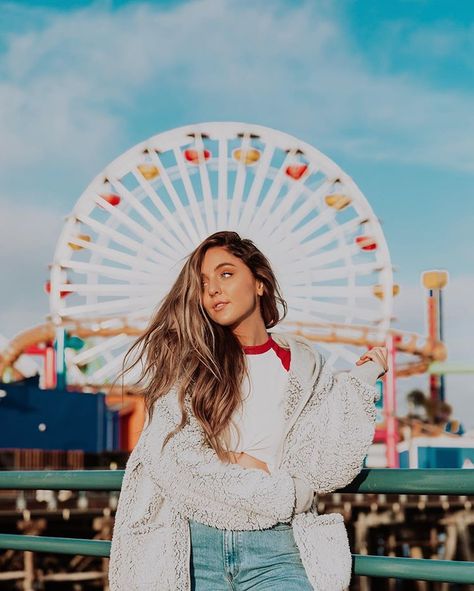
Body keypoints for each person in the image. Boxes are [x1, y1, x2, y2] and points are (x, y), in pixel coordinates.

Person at [108, 230, 388, 591]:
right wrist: (278, 491)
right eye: (204, 281)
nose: (212, 289)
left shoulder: (305, 366)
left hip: (278, 550)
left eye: (226, 274)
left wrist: (361, 382)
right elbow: (172, 460)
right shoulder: (189, 366)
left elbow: (327, 467)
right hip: (194, 550)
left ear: (259, 282)